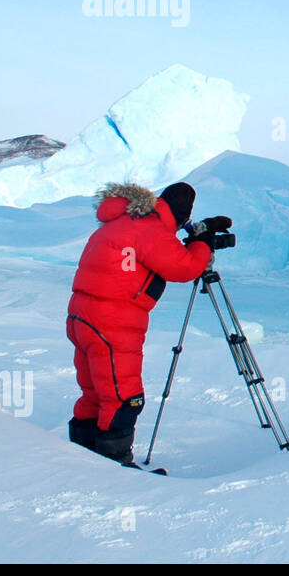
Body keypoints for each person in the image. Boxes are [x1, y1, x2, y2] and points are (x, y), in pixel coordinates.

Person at [65, 181, 230, 466]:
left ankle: (82, 463)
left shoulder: (124, 221)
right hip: (112, 323)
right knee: (124, 398)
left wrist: (192, 236)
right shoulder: (150, 230)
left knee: (96, 393)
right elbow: (185, 267)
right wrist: (202, 244)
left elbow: (153, 250)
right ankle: (115, 467)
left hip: (82, 317)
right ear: (181, 214)